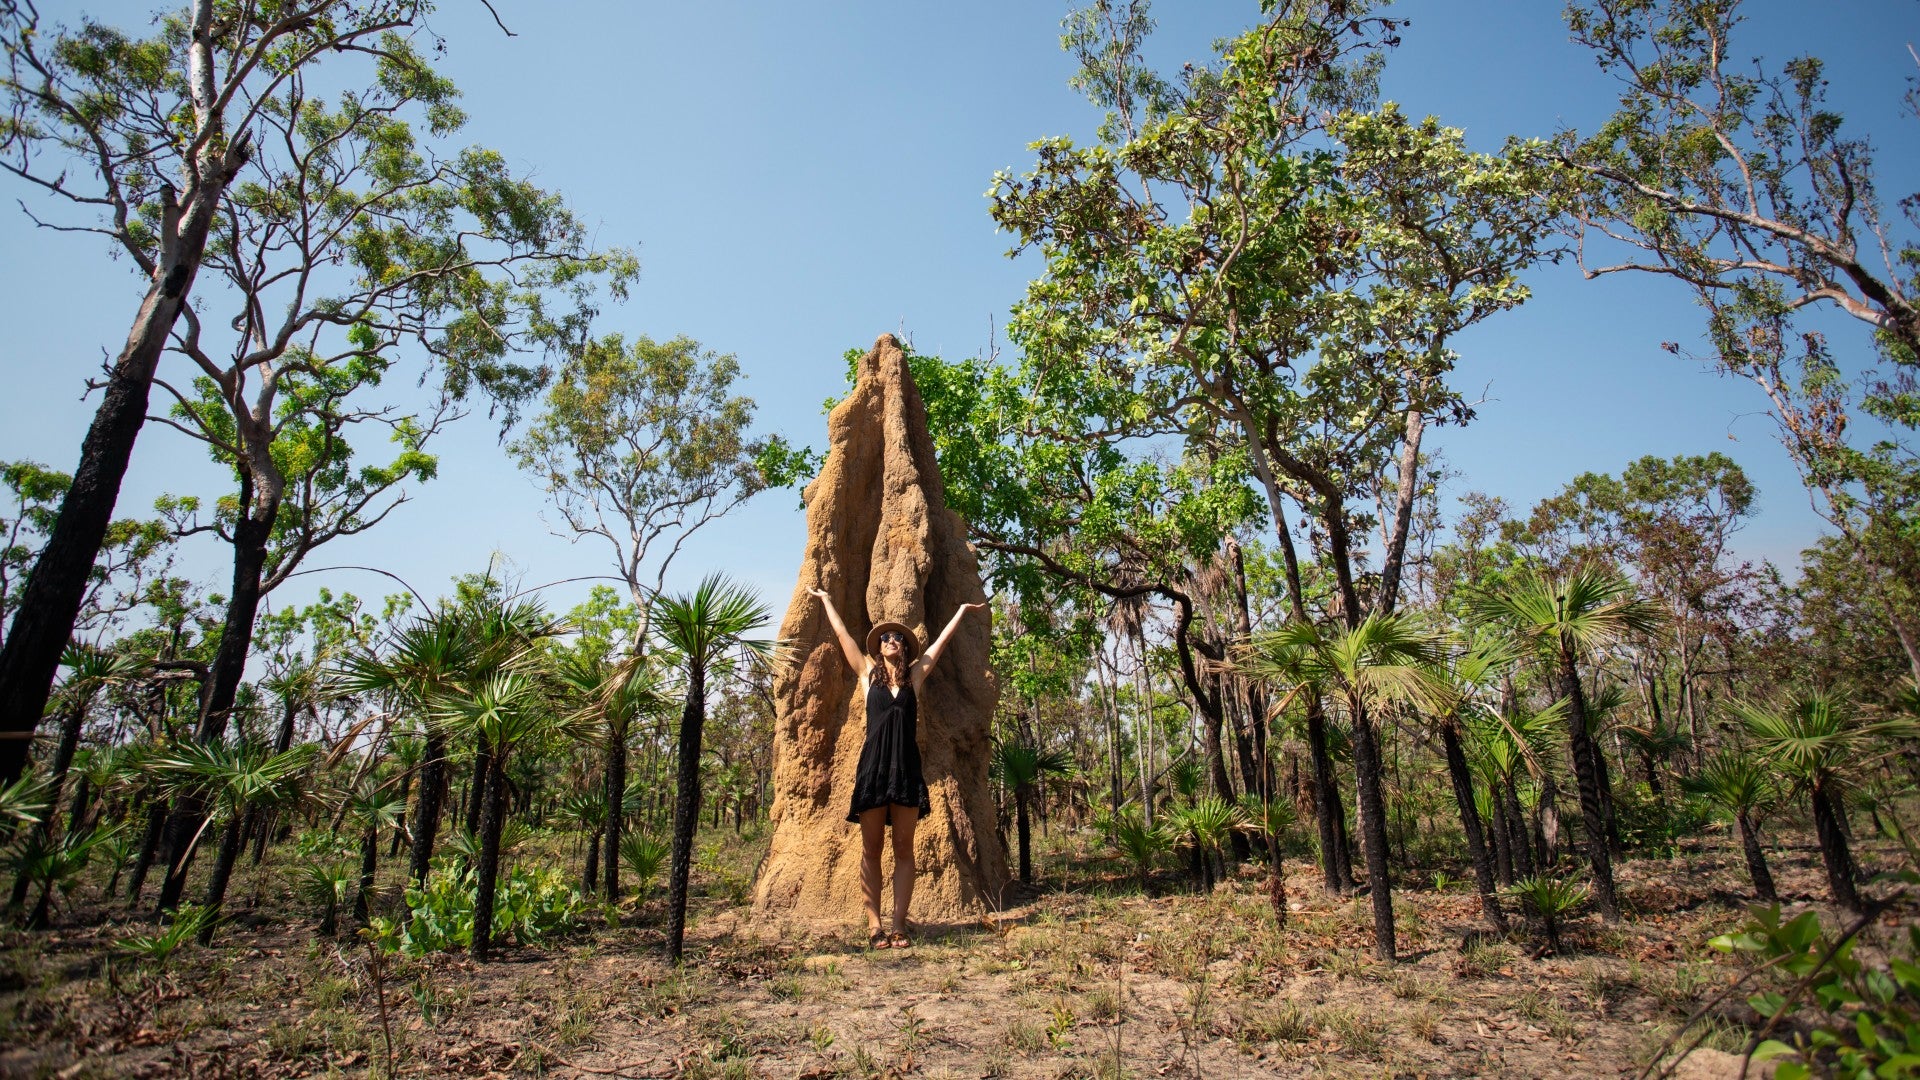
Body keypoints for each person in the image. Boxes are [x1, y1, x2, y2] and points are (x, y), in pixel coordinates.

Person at [807, 587, 985, 949]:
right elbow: (843, 637)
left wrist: (962, 612)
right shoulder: (866, 673)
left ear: (905, 648)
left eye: (897, 639)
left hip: (905, 769)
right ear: (878, 648)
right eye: (885, 637)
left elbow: (939, 645)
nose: (891, 640)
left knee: (904, 848)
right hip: (872, 769)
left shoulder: (914, 678)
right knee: (871, 849)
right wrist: (827, 600)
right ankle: (875, 926)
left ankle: (899, 924)